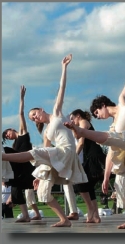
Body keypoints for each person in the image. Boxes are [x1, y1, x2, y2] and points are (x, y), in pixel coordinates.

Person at [63, 49, 125, 229]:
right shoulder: (114, 125)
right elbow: (112, 149)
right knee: (119, 182)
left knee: (111, 137)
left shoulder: (123, 101)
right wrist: (105, 177)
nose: (98, 116)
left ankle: (81, 131)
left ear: (103, 105)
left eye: (97, 113)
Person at [2, 54, 88, 227]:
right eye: (33, 119)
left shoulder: (56, 113)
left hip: (66, 151)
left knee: (34, 152)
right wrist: (40, 176)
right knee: (42, 193)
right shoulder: (47, 133)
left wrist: (64, 68)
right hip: (58, 156)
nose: (35, 118)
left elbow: (61, 88)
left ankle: (3, 157)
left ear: (41, 110)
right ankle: (64, 220)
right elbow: (44, 155)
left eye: (35, 115)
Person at [2, 85, 42, 222]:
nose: (8, 136)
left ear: (13, 129)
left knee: (5, 151)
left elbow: (20, 114)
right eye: (6, 137)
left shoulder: (23, 135)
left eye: (7, 133)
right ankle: (26, 216)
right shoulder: (14, 145)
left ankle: (32, 214)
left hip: (27, 167)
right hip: (19, 170)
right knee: (15, 190)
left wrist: (21, 98)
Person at [69, 109, 108, 223]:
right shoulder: (81, 124)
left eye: (72, 118)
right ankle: (95, 215)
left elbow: (80, 142)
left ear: (78, 116)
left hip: (94, 156)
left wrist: (73, 158)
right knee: (87, 185)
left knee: (80, 182)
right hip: (90, 156)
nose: (72, 121)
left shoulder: (83, 123)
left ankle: (92, 211)